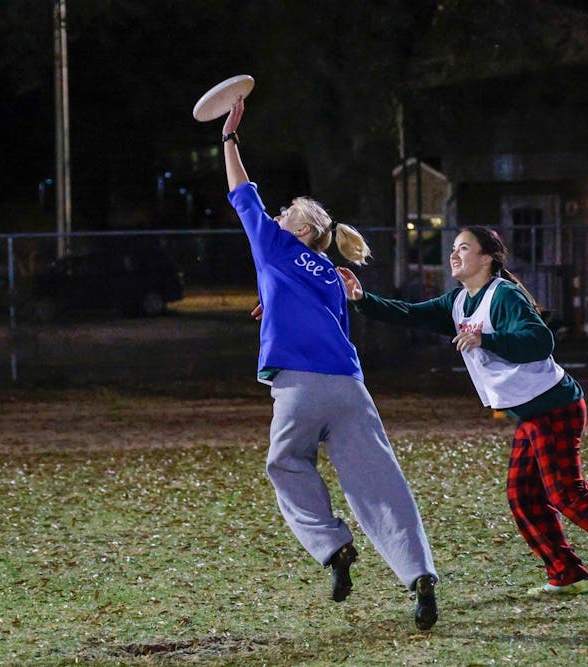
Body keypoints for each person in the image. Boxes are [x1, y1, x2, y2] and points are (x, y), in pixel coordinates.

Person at [338, 226, 588, 609]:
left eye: (464, 248)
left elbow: (540, 341)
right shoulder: (461, 301)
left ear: (487, 258)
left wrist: (486, 339)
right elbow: (413, 314)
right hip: (532, 413)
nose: (454, 254)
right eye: (453, 248)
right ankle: (566, 574)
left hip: (554, 406)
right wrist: (362, 298)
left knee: (566, 494)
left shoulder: (505, 296)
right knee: (523, 495)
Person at [220, 96, 439, 630]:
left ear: (296, 228)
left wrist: (228, 139)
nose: (272, 217)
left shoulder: (272, 243)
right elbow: (311, 310)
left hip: (298, 386)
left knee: (287, 464)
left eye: (281, 216)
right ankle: (420, 576)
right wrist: (272, 303)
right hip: (349, 385)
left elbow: (239, 190)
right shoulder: (329, 270)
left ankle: (334, 547)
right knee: (380, 483)